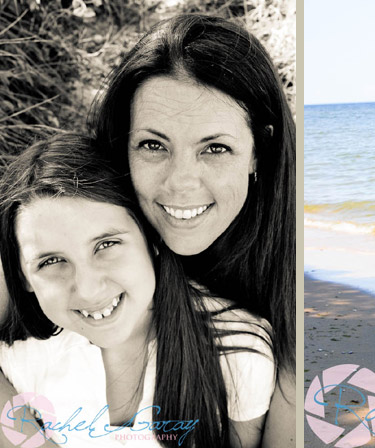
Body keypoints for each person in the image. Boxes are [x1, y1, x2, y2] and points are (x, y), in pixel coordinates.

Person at [87, 14, 295, 444]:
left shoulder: (291, 282)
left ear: (259, 151)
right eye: (153, 145)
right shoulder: (74, 232)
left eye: (215, 148)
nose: (181, 183)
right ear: (122, 146)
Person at [0, 134, 274, 447]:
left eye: (106, 244)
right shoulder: (24, 364)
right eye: (51, 261)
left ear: (151, 236)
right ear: (22, 277)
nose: (88, 289)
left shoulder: (238, 350)